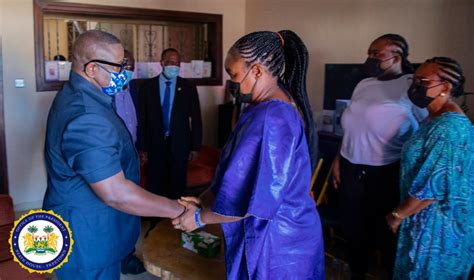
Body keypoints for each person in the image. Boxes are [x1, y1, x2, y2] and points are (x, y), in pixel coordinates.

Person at [172, 30, 324, 279]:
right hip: (278, 232)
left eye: (233, 74)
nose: (231, 82)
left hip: (277, 242)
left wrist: (200, 219)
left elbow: (253, 199)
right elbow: (238, 171)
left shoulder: (271, 119)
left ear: (256, 71)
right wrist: (207, 198)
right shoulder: (266, 106)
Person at [43, 30, 186, 279]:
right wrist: (178, 210)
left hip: (90, 226)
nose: (124, 72)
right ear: (91, 69)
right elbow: (116, 193)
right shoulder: (87, 115)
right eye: (119, 66)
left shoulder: (82, 94)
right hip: (86, 237)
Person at [331, 34, 427, 278]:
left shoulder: (411, 86)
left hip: (385, 171)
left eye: (377, 53)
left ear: (397, 57)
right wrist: (338, 159)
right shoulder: (364, 84)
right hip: (351, 168)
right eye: (369, 52)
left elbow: (426, 127)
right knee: (353, 231)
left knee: (384, 235)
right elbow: (353, 124)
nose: (370, 58)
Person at [387, 57, 473, 279]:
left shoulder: (448, 127)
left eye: (422, 81)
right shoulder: (434, 118)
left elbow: (434, 186)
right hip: (421, 218)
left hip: (436, 227)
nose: (415, 86)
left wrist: (397, 215)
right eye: (414, 80)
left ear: (445, 87)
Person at [137, 48, 202, 201]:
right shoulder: (147, 87)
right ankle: (155, 220)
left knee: (178, 185)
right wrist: (142, 147)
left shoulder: (188, 87)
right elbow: (141, 119)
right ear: (162, 63)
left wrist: (195, 146)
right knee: (154, 185)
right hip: (154, 144)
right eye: (171, 62)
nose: (174, 66)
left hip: (180, 145)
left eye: (177, 63)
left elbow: (197, 118)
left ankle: (176, 220)